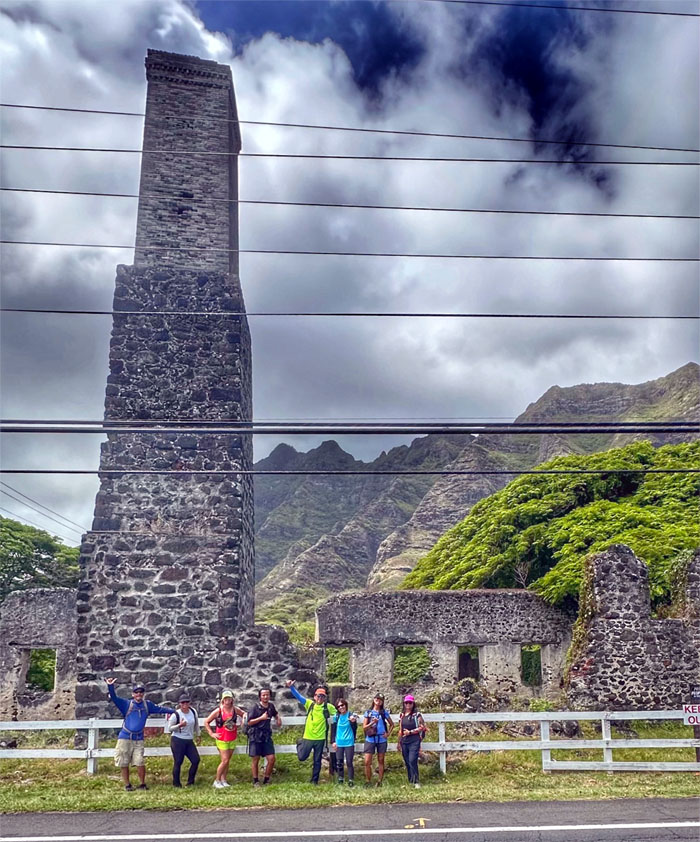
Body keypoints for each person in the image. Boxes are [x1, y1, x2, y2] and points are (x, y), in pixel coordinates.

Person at [105, 677, 175, 791]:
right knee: (123, 762)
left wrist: (175, 712)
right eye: (136, 692)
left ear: (143, 694)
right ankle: (127, 785)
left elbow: (160, 709)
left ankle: (142, 784)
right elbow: (114, 698)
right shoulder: (126, 704)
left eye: (141, 692)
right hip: (125, 737)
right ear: (133, 694)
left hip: (138, 738)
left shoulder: (147, 705)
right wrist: (110, 686)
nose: (139, 694)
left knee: (140, 761)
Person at [285, 679, 337, 785]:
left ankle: (314, 781)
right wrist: (291, 687)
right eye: (318, 696)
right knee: (302, 757)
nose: (320, 698)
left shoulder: (328, 707)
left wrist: (338, 718)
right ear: (315, 696)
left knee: (317, 761)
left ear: (325, 698)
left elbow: (339, 713)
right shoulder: (310, 704)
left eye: (322, 696)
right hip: (308, 737)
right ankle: (300, 742)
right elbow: (299, 697)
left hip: (320, 738)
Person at [204, 689, 246, 788]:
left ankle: (224, 780)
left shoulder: (235, 709)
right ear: (223, 700)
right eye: (225, 698)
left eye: (229, 698)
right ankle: (217, 780)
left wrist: (243, 721)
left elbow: (244, 713)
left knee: (227, 761)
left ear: (232, 699)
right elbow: (206, 722)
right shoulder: (218, 711)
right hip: (222, 738)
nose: (227, 700)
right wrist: (211, 733)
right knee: (225, 760)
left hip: (232, 738)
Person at [247, 687, 281, 786]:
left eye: (267, 695)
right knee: (255, 759)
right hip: (255, 736)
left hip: (266, 736)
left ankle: (266, 779)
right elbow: (249, 722)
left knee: (271, 758)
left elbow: (275, 714)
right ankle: (255, 781)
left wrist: (278, 718)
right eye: (263, 695)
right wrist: (261, 718)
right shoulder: (254, 707)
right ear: (260, 697)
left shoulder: (271, 706)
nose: (265, 697)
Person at [167, 692, 201, 787]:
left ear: (189, 703)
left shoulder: (193, 711)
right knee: (178, 762)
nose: (185, 704)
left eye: (187, 702)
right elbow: (169, 728)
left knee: (196, 760)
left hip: (189, 740)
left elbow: (196, 724)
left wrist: (198, 735)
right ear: (179, 704)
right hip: (177, 740)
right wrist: (180, 725)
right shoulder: (176, 714)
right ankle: (176, 783)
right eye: (183, 703)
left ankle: (190, 782)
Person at [363, 693, 393, 787]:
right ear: (374, 699)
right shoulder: (368, 712)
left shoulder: (384, 713)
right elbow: (364, 727)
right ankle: (368, 780)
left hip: (381, 738)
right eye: (377, 698)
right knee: (367, 761)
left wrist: (388, 734)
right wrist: (372, 723)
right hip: (370, 738)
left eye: (380, 699)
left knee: (381, 760)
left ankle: (380, 781)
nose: (378, 701)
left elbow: (392, 724)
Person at [397, 694, 426, 789]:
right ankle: (411, 780)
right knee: (407, 761)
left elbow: (422, 727)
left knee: (412, 760)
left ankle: (416, 780)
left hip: (414, 740)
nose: (408, 705)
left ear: (413, 704)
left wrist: (410, 732)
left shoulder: (417, 715)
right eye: (406, 703)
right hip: (404, 741)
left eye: (410, 703)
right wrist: (398, 742)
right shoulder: (402, 715)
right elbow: (400, 729)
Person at [330, 697, 358, 786]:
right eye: (338, 706)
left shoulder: (350, 715)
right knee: (339, 762)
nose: (341, 707)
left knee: (349, 762)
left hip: (349, 741)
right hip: (339, 742)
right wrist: (333, 741)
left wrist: (353, 722)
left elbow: (355, 728)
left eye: (342, 705)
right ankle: (340, 778)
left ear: (345, 705)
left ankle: (351, 780)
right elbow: (333, 729)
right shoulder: (336, 717)